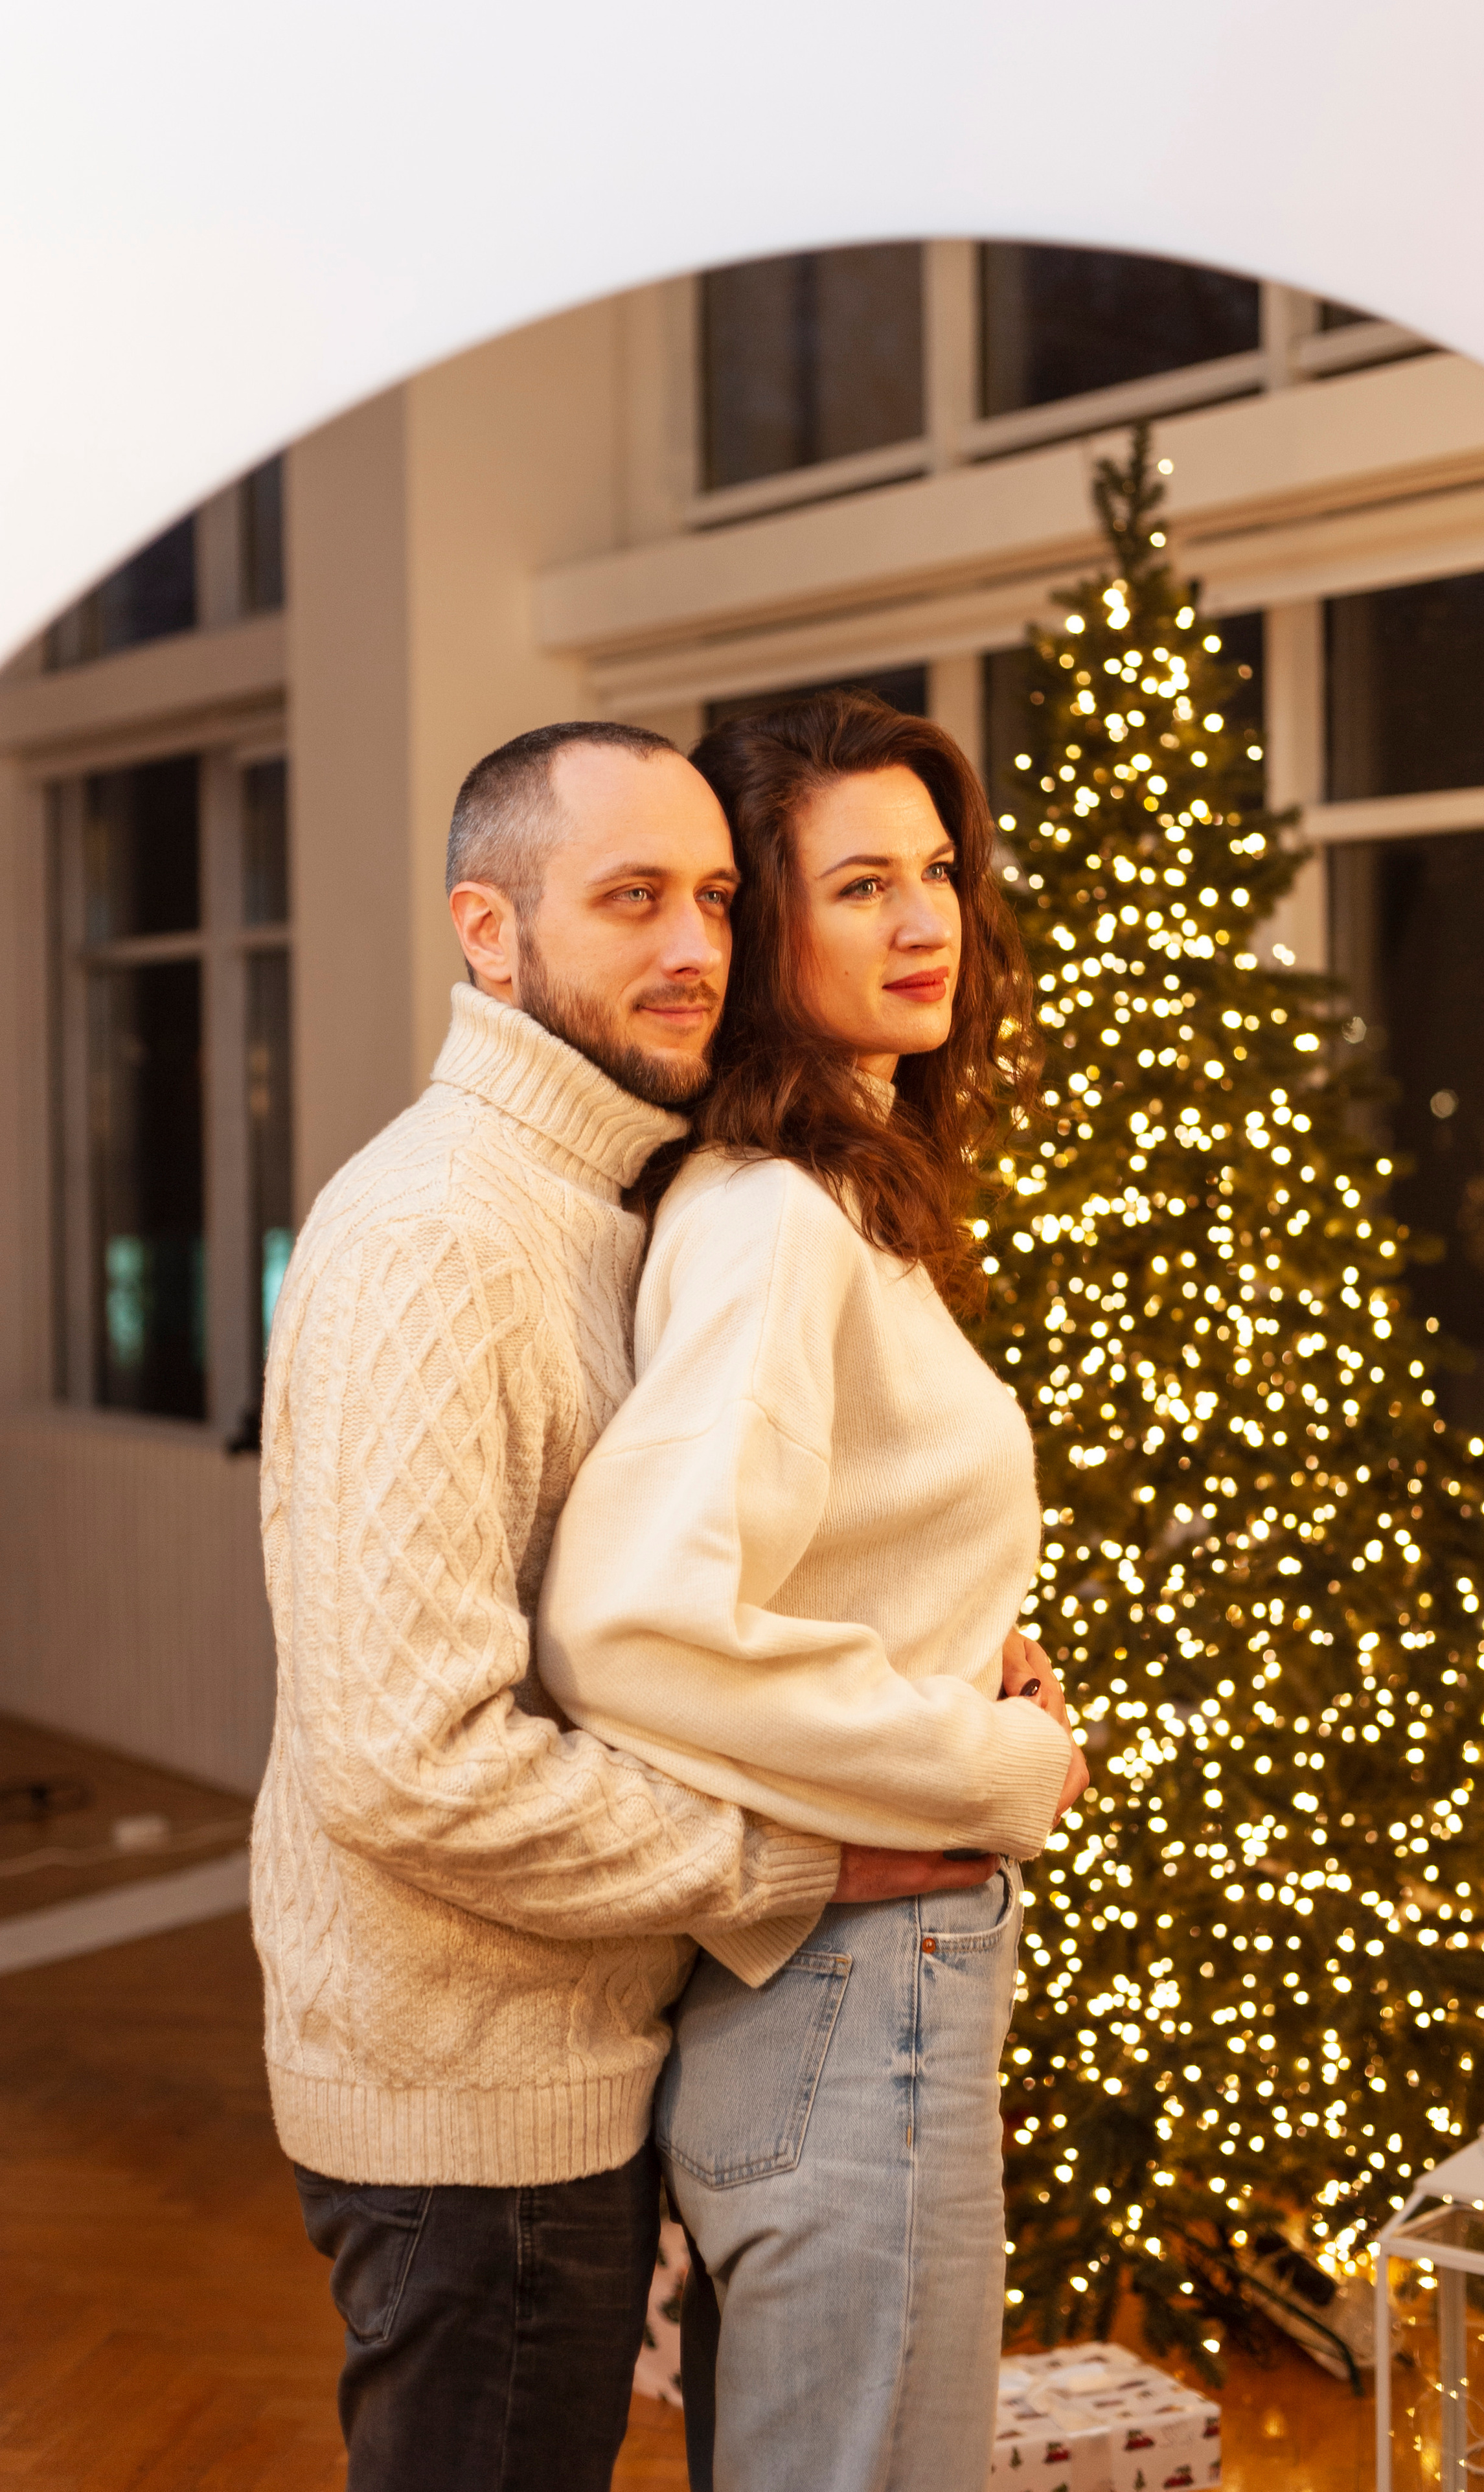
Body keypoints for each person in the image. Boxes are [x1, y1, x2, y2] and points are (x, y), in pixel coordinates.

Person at [252, 718, 998, 2492]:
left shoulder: (602, 1198)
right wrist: (792, 1860)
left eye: (719, 900)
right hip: (468, 2099)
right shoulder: (438, 1235)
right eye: (631, 898)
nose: (693, 949)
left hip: (579, 2047)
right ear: (489, 931)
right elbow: (412, 1762)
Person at [539, 691, 1090, 2492]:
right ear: (765, 928)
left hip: (854, 1993)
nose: (926, 921)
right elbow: (632, 1625)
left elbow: (826, 1544)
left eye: (936, 872)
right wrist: (984, 1763)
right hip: (856, 1990)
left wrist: (953, 1643)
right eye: (861, 887)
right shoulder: (776, 1215)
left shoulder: (848, 1189)